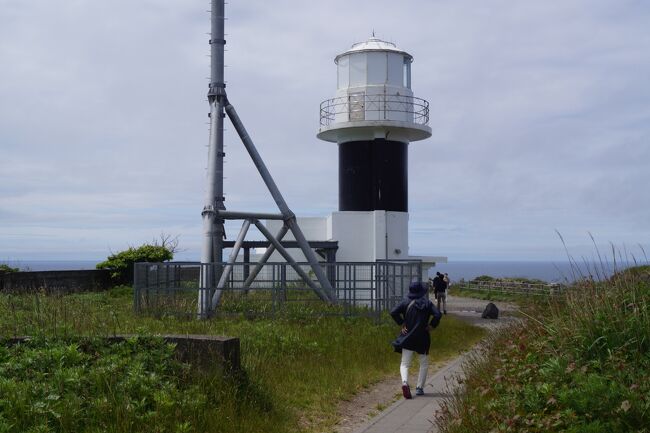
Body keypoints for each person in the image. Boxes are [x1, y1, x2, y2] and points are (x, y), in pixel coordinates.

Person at [390, 281, 442, 399]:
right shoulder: (427, 304)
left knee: (405, 363)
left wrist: (402, 323)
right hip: (423, 337)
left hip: (408, 336)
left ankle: (404, 383)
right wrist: (432, 325)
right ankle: (419, 388)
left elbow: (393, 312)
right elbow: (438, 314)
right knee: (423, 363)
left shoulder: (405, 301)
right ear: (421, 291)